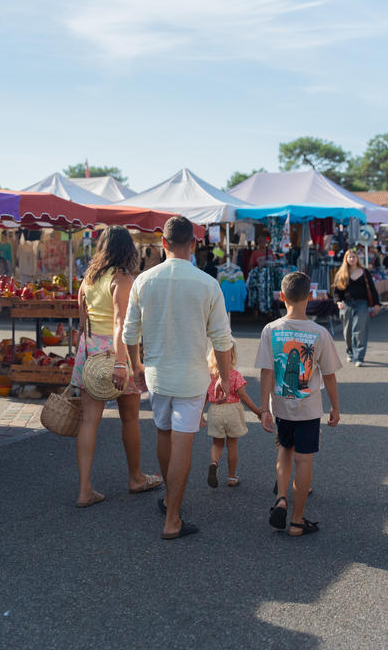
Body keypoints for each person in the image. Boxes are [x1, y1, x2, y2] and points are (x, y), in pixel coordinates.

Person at [123, 216, 232, 540]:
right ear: (194, 244)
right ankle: (173, 518)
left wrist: (136, 366)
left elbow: (130, 332)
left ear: (163, 243)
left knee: (164, 434)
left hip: (157, 374)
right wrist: (225, 379)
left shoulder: (144, 280)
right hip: (192, 376)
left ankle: (171, 499)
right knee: (183, 442)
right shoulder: (207, 283)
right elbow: (222, 340)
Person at [72, 226, 162, 508]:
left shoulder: (87, 280)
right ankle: (135, 477)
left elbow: (82, 321)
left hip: (90, 352)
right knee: (130, 418)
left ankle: (84, 489)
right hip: (118, 353)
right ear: (128, 251)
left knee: (89, 421)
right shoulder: (122, 280)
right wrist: (125, 363)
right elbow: (121, 324)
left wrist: (83, 356)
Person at [256, 272, 341, 536]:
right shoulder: (320, 333)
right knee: (304, 462)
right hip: (309, 410)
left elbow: (267, 372)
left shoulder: (271, 329)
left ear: (282, 297)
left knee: (284, 452)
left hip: (281, 408)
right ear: (310, 297)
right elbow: (328, 375)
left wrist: (264, 408)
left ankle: (281, 498)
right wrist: (335, 407)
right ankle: (296, 520)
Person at [203, 343, 261, 488]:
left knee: (217, 443)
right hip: (232, 411)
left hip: (215, 410)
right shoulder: (235, 375)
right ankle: (232, 477)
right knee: (232, 444)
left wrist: (199, 415)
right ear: (233, 356)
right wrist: (258, 411)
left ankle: (214, 463)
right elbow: (244, 396)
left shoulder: (208, 375)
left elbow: (203, 397)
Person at [333, 249, 380, 367]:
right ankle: (350, 352)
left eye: (354, 256)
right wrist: (338, 302)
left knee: (360, 331)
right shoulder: (341, 273)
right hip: (346, 304)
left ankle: (359, 357)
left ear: (357, 258)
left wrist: (377, 303)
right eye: (349, 257)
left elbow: (372, 289)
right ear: (346, 259)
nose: (352, 259)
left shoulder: (364, 272)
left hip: (361, 304)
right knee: (347, 331)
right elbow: (337, 291)